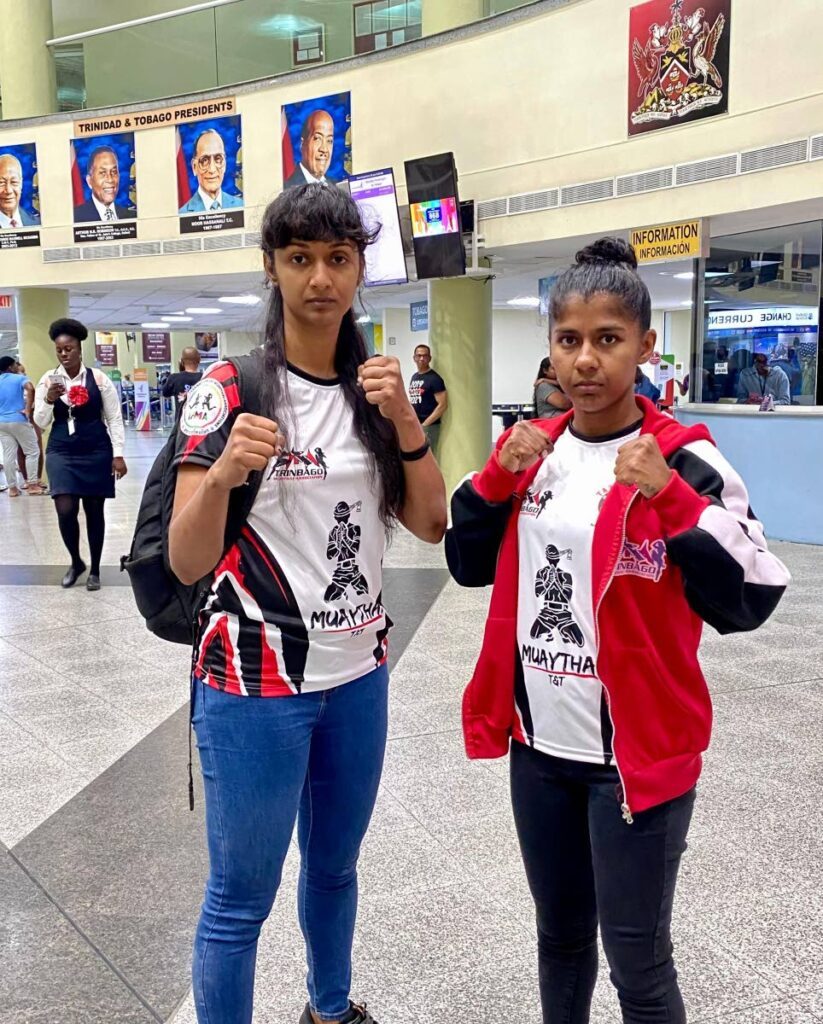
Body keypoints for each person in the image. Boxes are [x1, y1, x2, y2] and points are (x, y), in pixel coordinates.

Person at [446, 238, 790, 1024]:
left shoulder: (684, 458)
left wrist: (669, 499)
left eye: (607, 340)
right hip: (540, 751)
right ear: (550, 350)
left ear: (643, 345)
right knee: (560, 940)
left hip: (634, 759)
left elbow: (754, 592)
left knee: (636, 956)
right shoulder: (529, 452)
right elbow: (464, 562)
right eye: (569, 341)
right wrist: (496, 480)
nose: (586, 361)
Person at [168, 183, 446, 1024]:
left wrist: (405, 421)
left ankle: (329, 1009)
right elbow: (186, 560)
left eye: (337, 258)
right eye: (299, 259)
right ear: (272, 268)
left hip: (357, 673)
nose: (319, 278)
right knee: (240, 896)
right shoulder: (232, 386)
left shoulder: (374, 393)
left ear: (360, 268)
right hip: (254, 681)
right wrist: (221, 474)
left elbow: (431, 524)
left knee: (334, 866)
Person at [34, 319, 128, 590]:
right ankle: (76, 562)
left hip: (96, 449)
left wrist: (118, 454)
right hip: (61, 450)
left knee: (94, 509)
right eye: (59, 350)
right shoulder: (47, 380)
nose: (64, 354)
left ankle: (95, 569)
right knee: (65, 508)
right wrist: (49, 399)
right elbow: (40, 423)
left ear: (79, 349)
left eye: (69, 349)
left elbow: (115, 418)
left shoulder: (99, 379)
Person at [0, 356, 44, 496]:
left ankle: (12, 488)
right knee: (32, 451)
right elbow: (30, 388)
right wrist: (28, 409)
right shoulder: (18, 378)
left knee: (8, 455)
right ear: (9, 367)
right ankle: (32, 484)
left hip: (2, 422)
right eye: (14, 365)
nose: (16, 367)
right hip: (18, 419)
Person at [179, 128, 243, 214]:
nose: (212, 169)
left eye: (218, 159)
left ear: (224, 164)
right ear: (194, 167)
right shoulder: (183, 214)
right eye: (204, 160)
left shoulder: (240, 205)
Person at [74, 146, 132, 222]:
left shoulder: (130, 215)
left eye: (114, 172)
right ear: (89, 181)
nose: (110, 179)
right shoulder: (76, 217)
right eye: (102, 173)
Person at [408, 344, 448, 452]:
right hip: (416, 425)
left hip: (429, 427)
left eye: (425, 356)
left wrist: (425, 424)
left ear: (429, 358)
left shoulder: (434, 379)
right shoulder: (414, 377)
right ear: (414, 358)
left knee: (428, 457)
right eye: (419, 355)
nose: (421, 358)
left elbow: (443, 405)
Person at [284, 110, 337, 188]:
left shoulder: (337, 187)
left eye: (329, 141)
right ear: (303, 144)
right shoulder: (287, 190)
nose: (324, 149)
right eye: (317, 138)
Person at [162, 347, 203, 419]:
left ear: (182, 361)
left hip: (181, 423)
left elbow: (165, 393)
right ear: (199, 359)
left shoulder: (174, 378)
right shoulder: (206, 377)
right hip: (200, 421)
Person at [0, 153, 36, 229]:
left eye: (14, 182)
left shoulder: (36, 222)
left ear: (21, 184)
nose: (8, 190)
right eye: (1, 183)